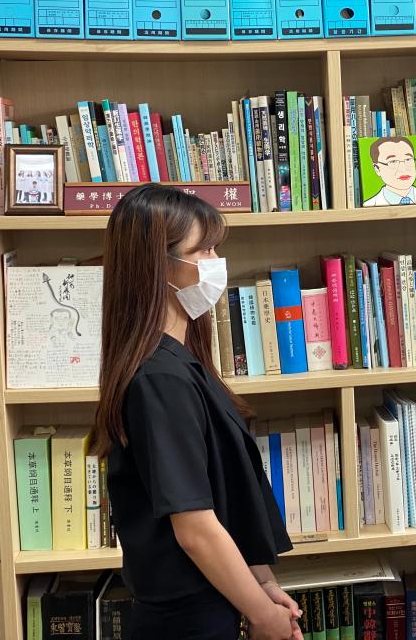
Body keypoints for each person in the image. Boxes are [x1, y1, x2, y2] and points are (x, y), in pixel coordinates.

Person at [93, 184, 302, 640]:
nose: (215, 261)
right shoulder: (159, 379)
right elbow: (195, 527)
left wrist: (263, 583)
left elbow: (228, 491)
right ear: (158, 265)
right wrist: (262, 615)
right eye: (202, 250)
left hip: (216, 602)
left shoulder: (182, 361)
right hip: (186, 618)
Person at [363, 137, 416, 206]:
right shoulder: (369, 204)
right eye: (393, 161)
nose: (403, 169)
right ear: (377, 169)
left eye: (408, 159)